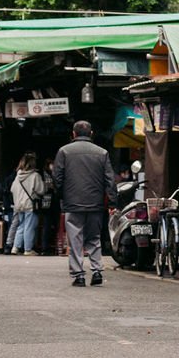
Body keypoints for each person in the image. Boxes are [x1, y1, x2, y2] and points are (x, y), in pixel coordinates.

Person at [52, 121, 113, 287]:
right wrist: (112, 201)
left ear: (73, 134)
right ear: (91, 133)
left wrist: (61, 196)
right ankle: (97, 271)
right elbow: (110, 180)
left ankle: (79, 275)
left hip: (72, 203)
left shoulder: (64, 151)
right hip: (95, 203)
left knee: (75, 239)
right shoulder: (102, 153)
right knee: (94, 238)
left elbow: (57, 178)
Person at [8, 153, 49, 256]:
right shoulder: (35, 176)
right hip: (30, 205)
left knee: (21, 226)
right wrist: (46, 187)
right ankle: (28, 249)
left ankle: (15, 247)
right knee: (29, 226)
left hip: (18, 205)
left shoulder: (18, 176)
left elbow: (12, 189)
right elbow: (41, 190)